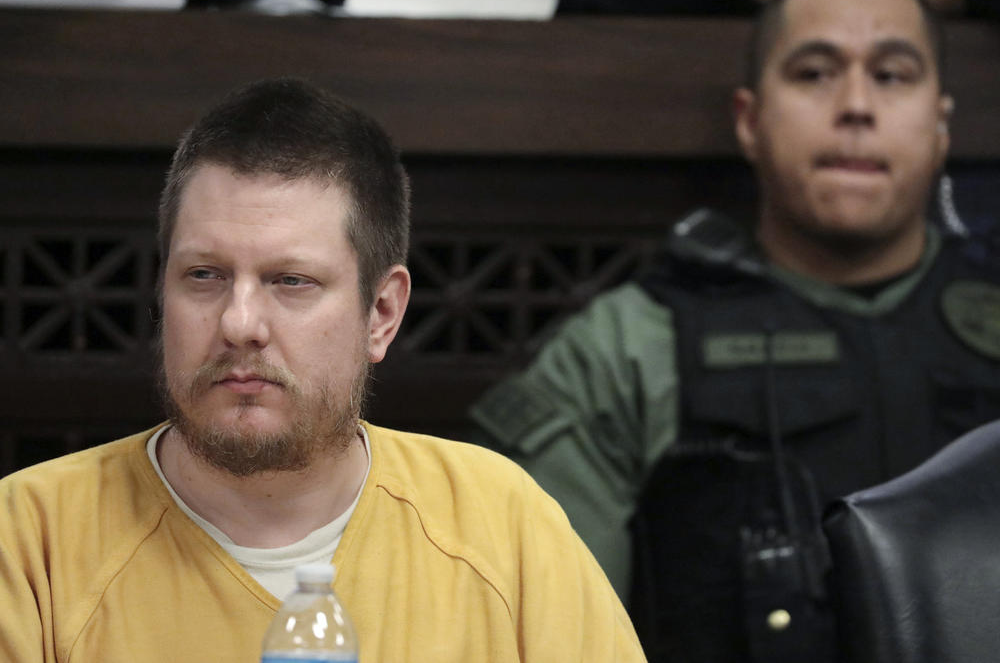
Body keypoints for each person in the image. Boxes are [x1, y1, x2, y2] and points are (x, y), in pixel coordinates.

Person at [0, 78, 645, 663]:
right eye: (204, 275)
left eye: (291, 281)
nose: (239, 322)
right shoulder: (30, 540)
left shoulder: (501, 526)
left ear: (382, 314)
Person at [469, 0, 1000, 662]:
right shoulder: (629, 349)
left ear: (940, 124)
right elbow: (546, 636)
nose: (856, 105)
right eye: (814, 72)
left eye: (893, 75)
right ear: (749, 121)